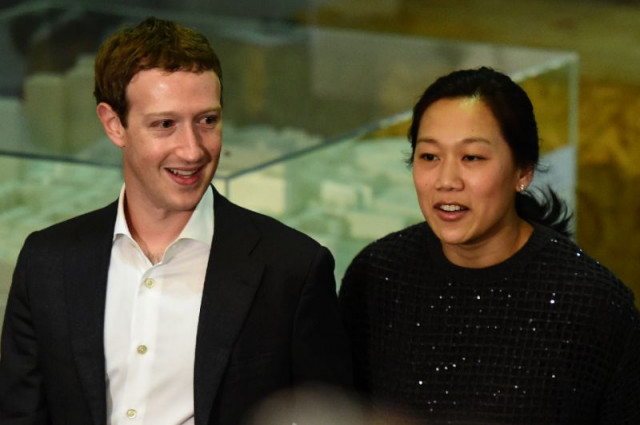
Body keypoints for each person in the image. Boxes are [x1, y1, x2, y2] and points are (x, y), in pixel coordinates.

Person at [0, 17, 352, 425]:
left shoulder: (292, 269)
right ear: (114, 125)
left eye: (207, 121)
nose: (192, 150)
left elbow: (331, 415)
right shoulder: (47, 261)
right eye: (165, 124)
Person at [339, 67, 640, 424]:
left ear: (523, 171)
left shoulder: (591, 302)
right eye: (430, 156)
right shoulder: (377, 275)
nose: (446, 181)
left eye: (472, 157)